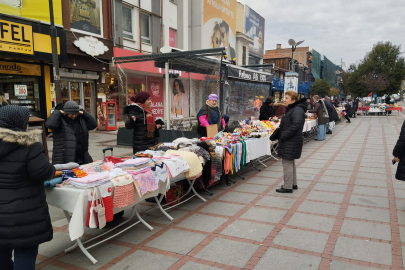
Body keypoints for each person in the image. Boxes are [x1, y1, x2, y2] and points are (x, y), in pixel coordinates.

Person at [0, 105, 55, 270]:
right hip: (26, 217)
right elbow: (44, 172)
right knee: (25, 253)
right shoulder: (31, 146)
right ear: (21, 124)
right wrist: (52, 169)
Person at [45, 101, 97, 165]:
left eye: (76, 113)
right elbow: (49, 124)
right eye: (72, 114)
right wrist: (58, 112)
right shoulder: (60, 121)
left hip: (81, 157)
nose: (74, 115)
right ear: (66, 113)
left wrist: (84, 113)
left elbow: (93, 124)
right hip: (64, 158)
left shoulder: (81, 119)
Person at [275, 91, 306, 193]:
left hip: (290, 140)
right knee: (290, 162)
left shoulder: (296, 110)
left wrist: (283, 135)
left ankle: (287, 187)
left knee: (287, 163)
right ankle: (293, 184)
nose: (284, 99)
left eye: (287, 98)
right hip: (291, 140)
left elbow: (296, 126)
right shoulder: (294, 109)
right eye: (285, 97)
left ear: (293, 100)